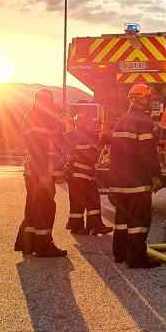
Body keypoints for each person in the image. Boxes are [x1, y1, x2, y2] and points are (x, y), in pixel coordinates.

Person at [108, 83, 162, 268]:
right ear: (139, 98)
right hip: (137, 180)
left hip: (119, 180)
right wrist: (155, 176)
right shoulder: (144, 121)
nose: (151, 102)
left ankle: (120, 254)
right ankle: (137, 258)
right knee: (139, 220)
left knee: (122, 220)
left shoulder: (121, 121)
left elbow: (114, 153)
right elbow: (148, 153)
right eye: (148, 98)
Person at [15, 89, 68, 257]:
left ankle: (28, 243)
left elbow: (58, 142)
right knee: (45, 207)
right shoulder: (36, 118)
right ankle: (44, 245)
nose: (53, 104)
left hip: (38, 170)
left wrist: (62, 122)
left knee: (34, 207)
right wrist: (44, 174)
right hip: (40, 170)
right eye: (50, 102)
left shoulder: (43, 117)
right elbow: (36, 148)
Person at [63, 115, 111, 235]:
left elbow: (107, 139)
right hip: (77, 173)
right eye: (89, 123)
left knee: (92, 199)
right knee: (78, 201)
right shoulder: (78, 136)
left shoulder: (73, 136)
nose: (91, 125)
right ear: (83, 124)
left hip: (87, 173)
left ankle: (94, 225)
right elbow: (106, 138)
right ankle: (77, 226)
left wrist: (107, 128)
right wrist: (107, 128)